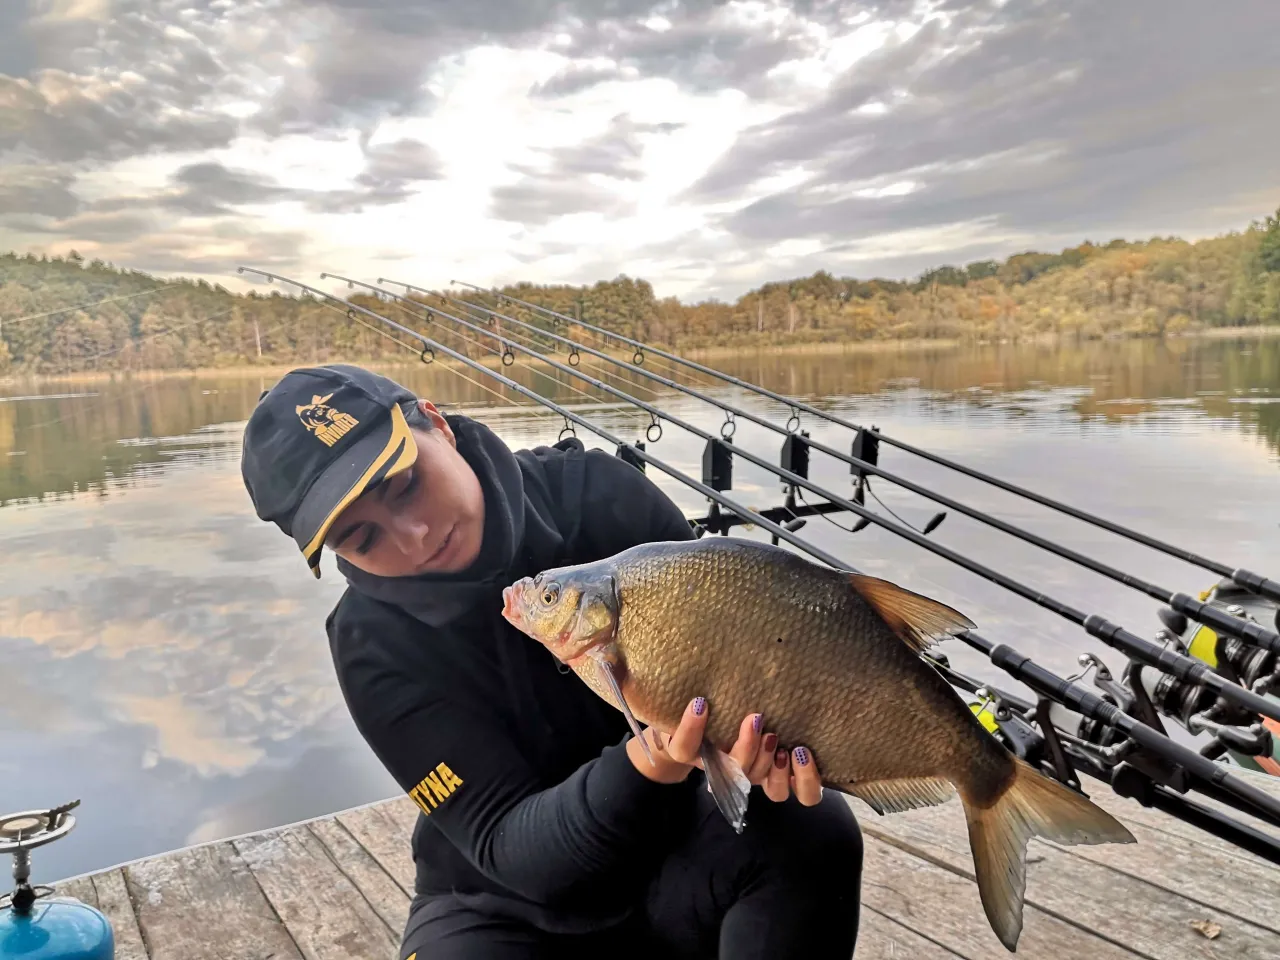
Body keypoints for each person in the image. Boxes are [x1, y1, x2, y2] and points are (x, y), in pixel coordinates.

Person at [240, 362, 864, 959]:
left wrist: (762, 740)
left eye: (404, 486)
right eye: (363, 538)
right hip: (499, 906)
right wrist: (648, 760)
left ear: (436, 422)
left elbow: (746, 648)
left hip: (678, 848)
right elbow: (508, 847)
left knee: (813, 826)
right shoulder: (367, 646)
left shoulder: (600, 494)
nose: (414, 538)